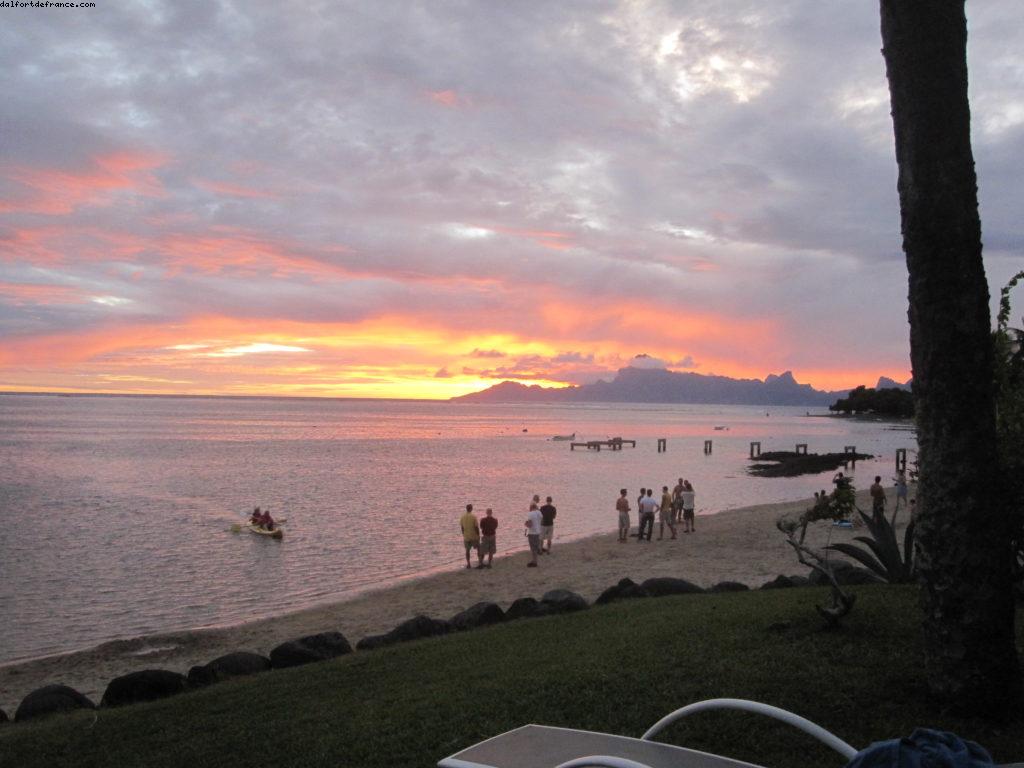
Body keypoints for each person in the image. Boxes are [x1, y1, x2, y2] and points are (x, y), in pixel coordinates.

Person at [459, 504, 481, 569]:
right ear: (471, 509)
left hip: (466, 537)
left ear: (466, 509)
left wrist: (463, 534)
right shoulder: (473, 517)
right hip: (474, 536)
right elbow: (476, 527)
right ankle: (480, 562)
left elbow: (462, 527)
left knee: (467, 550)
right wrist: (478, 535)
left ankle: (468, 564)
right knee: (479, 549)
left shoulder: (462, 517)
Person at [525, 502, 543, 567]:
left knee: (533, 549)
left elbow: (530, 525)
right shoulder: (539, 513)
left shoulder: (530, 514)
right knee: (535, 547)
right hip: (538, 532)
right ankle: (535, 560)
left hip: (532, 533)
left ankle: (534, 562)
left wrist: (526, 524)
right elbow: (541, 520)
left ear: (531, 507)